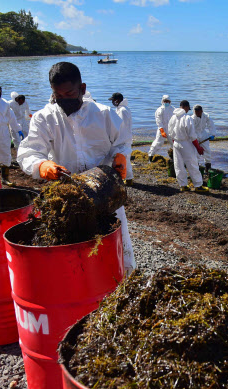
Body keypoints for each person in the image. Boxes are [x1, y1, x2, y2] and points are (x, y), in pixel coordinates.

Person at [17, 62, 136, 273]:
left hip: (105, 191)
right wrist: (42, 165)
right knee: (71, 252)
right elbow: (29, 152)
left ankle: (122, 279)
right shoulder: (45, 118)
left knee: (117, 245)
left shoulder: (104, 114)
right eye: (58, 95)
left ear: (82, 89)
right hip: (66, 196)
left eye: (69, 93)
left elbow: (123, 140)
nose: (63, 99)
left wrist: (121, 156)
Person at [167, 100, 209, 193]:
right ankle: (198, 185)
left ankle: (183, 185)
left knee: (178, 165)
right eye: (188, 109)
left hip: (176, 143)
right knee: (192, 164)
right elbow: (192, 136)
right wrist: (198, 148)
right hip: (185, 143)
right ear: (186, 107)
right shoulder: (187, 118)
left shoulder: (173, 117)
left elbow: (170, 133)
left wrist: (175, 142)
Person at [109, 92, 134, 186]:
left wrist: (115, 136)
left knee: (124, 159)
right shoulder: (122, 109)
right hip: (124, 138)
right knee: (125, 159)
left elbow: (121, 125)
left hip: (123, 138)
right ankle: (128, 179)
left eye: (113, 100)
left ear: (117, 100)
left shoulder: (123, 110)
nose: (113, 102)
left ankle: (128, 179)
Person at [148, 95, 174, 162]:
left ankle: (175, 158)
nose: (166, 102)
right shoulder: (159, 110)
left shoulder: (173, 109)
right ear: (162, 101)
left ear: (170, 101)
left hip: (171, 130)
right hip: (162, 129)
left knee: (174, 144)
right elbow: (158, 121)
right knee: (158, 143)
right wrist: (162, 131)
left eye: (167, 101)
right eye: (165, 101)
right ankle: (150, 156)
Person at [192, 104, 216, 174]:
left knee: (207, 150)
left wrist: (212, 134)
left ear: (202, 111)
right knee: (195, 152)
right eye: (196, 112)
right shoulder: (192, 118)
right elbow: (190, 129)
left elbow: (211, 125)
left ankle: (208, 166)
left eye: (199, 112)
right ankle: (197, 167)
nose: (197, 114)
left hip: (203, 134)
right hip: (195, 135)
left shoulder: (206, 116)